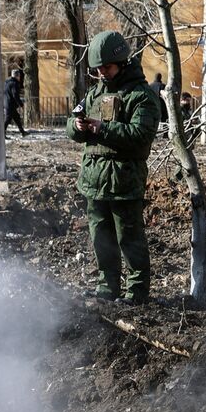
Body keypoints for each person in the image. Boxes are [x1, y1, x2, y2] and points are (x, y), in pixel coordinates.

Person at [66, 30, 159, 306]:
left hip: (124, 182)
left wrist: (104, 128)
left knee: (130, 240)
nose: (102, 73)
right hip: (95, 182)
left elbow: (140, 135)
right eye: (98, 69)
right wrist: (78, 126)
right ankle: (107, 286)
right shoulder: (95, 93)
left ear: (121, 61)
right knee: (101, 239)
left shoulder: (141, 96)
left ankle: (137, 292)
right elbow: (71, 126)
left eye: (106, 67)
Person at [4, 68, 27, 136]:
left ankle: (22, 132)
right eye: (19, 76)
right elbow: (15, 95)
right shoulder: (14, 83)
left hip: (7, 103)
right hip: (11, 104)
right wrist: (21, 104)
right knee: (7, 120)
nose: (20, 77)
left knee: (17, 118)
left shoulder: (7, 82)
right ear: (17, 76)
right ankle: (1, 133)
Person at [151, 72, 167, 137]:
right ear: (160, 77)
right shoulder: (163, 86)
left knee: (153, 120)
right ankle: (165, 134)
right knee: (165, 119)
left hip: (153, 105)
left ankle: (153, 134)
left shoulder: (150, 86)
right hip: (162, 105)